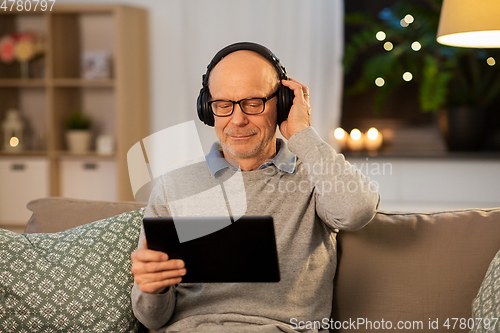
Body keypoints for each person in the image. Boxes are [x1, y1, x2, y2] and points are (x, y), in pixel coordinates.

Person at [130, 42, 380, 333]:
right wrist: (153, 290)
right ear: (207, 109)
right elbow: (152, 319)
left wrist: (303, 134)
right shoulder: (174, 185)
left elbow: (357, 210)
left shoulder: (315, 175)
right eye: (223, 105)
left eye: (253, 103)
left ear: (283, 103)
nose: (237, 120)